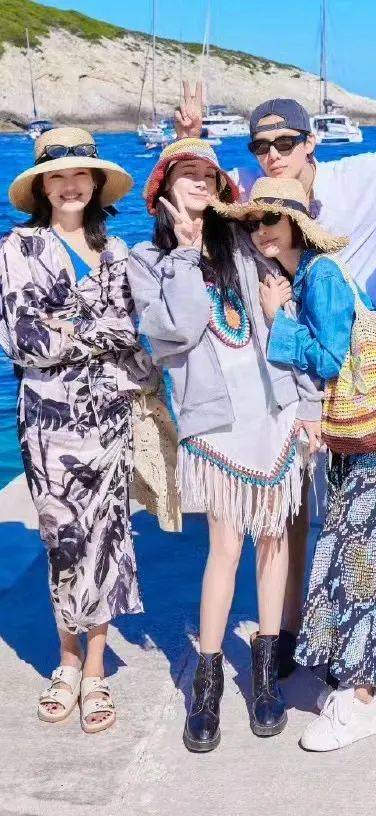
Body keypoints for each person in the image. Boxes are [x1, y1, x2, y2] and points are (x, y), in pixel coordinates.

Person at [172, 31, 376, 677]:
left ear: (310, 142)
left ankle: (367, 651)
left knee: (357, 517)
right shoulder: (259, 188)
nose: (273, 154)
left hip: (354, 365)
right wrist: (192, 138)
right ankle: (288, 633)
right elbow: (193, 192)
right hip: (294, 366)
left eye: (285, 143)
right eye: (261, 145)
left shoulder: (359, 178)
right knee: (292, 506)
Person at [216, 176, 376, 750]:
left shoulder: (321, 276)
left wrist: (276, 321)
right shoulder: (306, 276)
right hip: (375, 429)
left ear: (296, 224)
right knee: (370, 552)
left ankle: (360, 701)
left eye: (271, 219)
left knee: (359, 553)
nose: (260, 230)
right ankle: (370, 680)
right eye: (253, 222)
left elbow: (331, 358)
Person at [128, 139, 326, 752]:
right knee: (225, 546)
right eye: (186, 173)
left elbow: (282, 321)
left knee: (274, 538)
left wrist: (309, 403)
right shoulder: (147, 260)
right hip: (215, 423)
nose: (198, 182)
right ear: (163, 188)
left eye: (207, 174)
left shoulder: (242, 243)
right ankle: (208, 682)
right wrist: (187, 254)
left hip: (274, 410)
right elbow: (178, 330)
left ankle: (264, 677)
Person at [0, 128, 157, 734]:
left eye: (79, 174)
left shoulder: (117, 251)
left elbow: (135, 331)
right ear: (42, 187)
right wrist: (100, 333)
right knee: (63, 541)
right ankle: (66, 662)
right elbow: (23, 340)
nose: (70, 185)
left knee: (108, 538)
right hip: (49, 421)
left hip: (111, 417)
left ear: (95, 183)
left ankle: (94, 670)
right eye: (57, 176)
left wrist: (72, 328)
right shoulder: (18, 248)